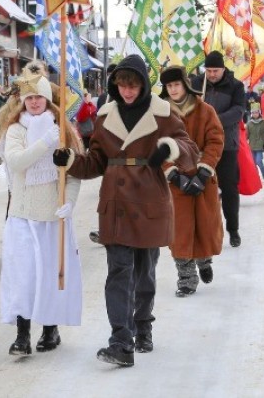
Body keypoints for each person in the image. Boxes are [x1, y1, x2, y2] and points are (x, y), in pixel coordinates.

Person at [53, 55, 196, 367]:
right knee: (119, 273)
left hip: (149, 201)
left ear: (144, 84)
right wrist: (72, 162)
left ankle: (143, 326)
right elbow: (96, 162)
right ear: (114, 86)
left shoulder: (163, 113)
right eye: (122, 85)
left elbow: (189, 150)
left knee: (144, 273)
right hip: (116, 204)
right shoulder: (105, 117)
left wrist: (170, 149)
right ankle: (121, 341)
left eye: (133, 85)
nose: (127, 91)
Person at [0, 67, 83, 356]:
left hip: (51, 217)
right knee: (23, 274)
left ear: (48, 99)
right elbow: (17, 162)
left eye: (39, 97)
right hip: (22, 214)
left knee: (49, 274)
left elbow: (73, 173)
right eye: (29, 97)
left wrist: (69, 203)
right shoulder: (15, 130)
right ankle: (22, 334)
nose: (34, 102)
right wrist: (46, 141)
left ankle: (50, 330)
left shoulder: (64, 131)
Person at [159, 65, 224, 298]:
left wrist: (204, 171)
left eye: (176, 84)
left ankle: (204, 260)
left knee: (205, 226)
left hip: (203, 177)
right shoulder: (161, 114)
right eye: (169, 85)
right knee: (180, 230)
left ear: (185, 84)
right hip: (175, 182)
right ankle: (186, 278)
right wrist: (172, 173)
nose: (173, 89)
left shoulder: (205, 110)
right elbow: (155, 146)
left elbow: (216, 140)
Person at [190, 51, 246, 247]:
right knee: (200, 187)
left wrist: (213, 121)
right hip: (200, 145)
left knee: (229, 188)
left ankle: (233, 229)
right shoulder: (196, 84)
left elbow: (238, 111)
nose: (212, 74)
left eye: (215, 70)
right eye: (209, 70)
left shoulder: (236, 86)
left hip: (227, 145)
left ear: (223, 69)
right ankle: (204, 230)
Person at [246, 106, 264, 178]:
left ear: (259, 113)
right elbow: (246, 134)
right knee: (253, 162)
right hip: (252, 145)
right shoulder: (249, 123)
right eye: (253, 113)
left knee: (259, 161)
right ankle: (255, 176)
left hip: (261, 145)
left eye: (256, 112)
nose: (255, 114)